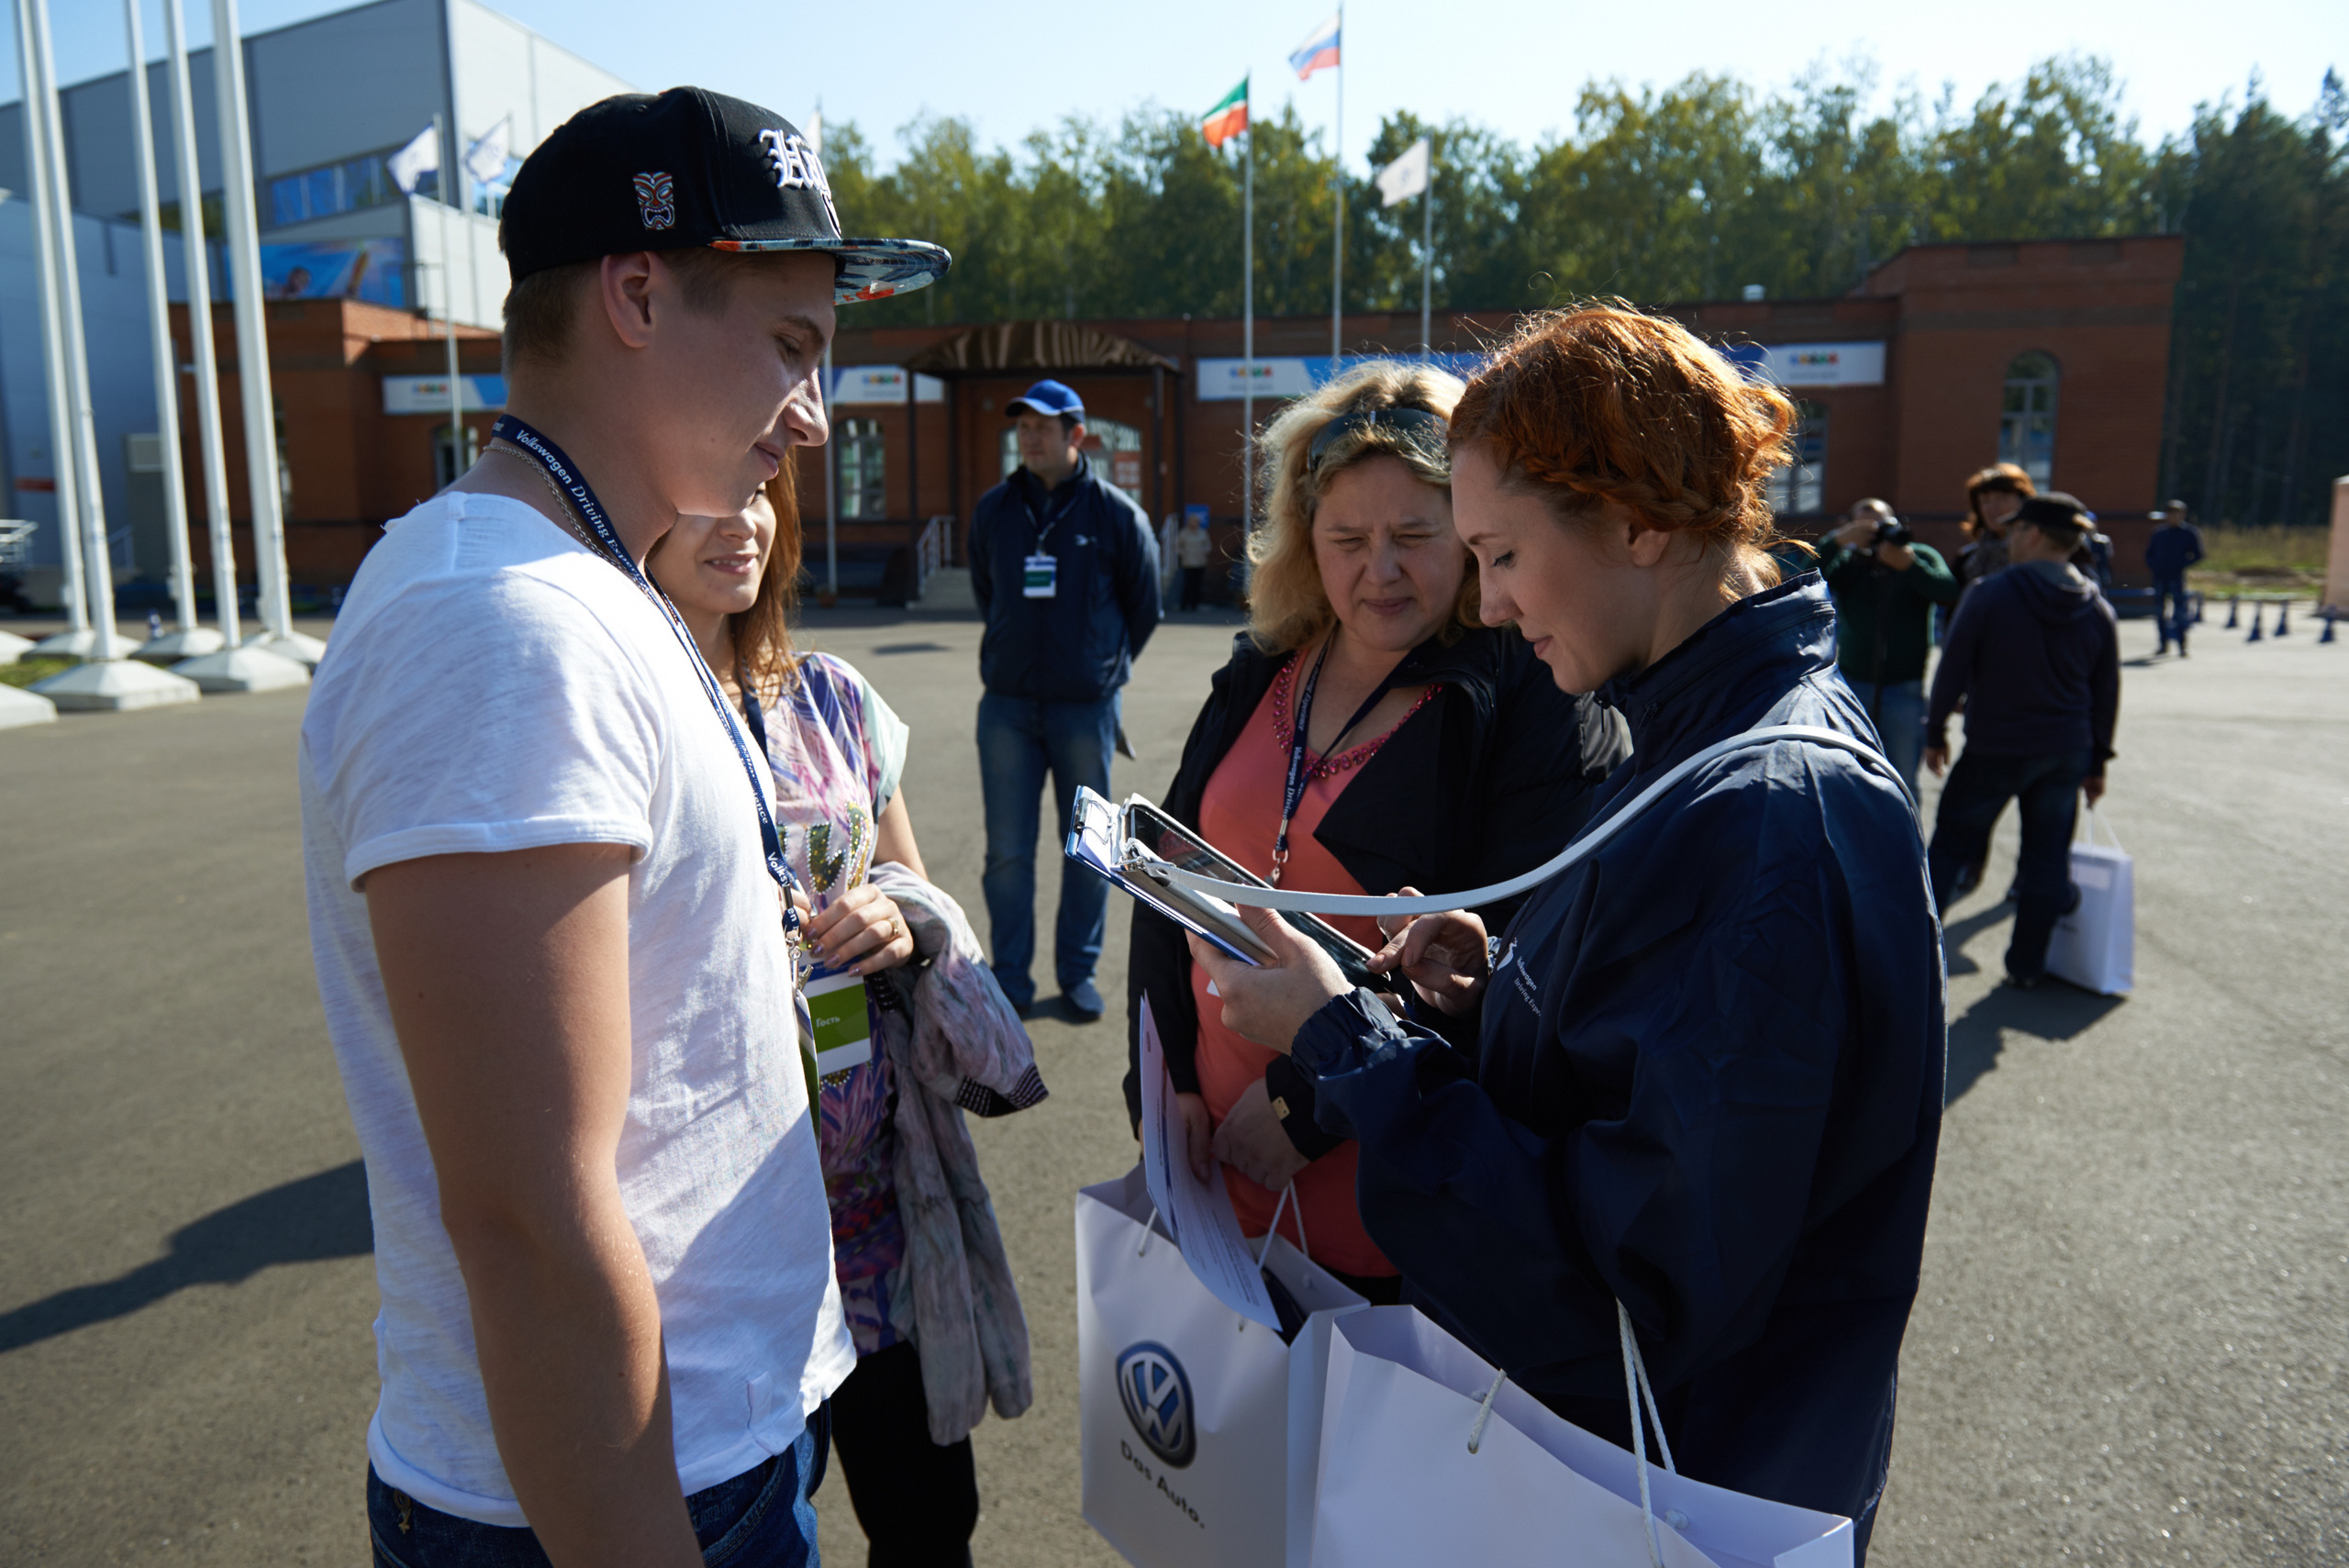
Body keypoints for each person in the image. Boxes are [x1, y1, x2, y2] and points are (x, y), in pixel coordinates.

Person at [299, 87, 949, 1565]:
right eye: (791, 345)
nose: (815, 409)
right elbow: (530, 1221)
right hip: (618, 1501)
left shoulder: (600, 590)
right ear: (639, 292)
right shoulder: (506, 624)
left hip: (711, 1435)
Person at [1189, 305, 1945, 1557]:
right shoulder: (1703, 735)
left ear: (1638, 522)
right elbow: (1662, 1085)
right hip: (1662, 1465)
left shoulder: (1760, 809)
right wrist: (1507, 998)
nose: (1483, 608)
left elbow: (1621, 1291)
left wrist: (1344, 1042)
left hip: (1677, 1485)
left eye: (1498, 554)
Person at [1124, 362, 1631, 1302]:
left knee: (1360, 1437)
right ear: (1304, 539)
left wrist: (1299, 1108)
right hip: (1209, 1168)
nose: (1379, 569)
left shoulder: (1534, 704)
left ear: (1474, 533)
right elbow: (1164, 871)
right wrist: (1161, 1091)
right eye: (1347, 537)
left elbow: (1512, 969)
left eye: (1414, 534)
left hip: (1381, 1197)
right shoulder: (1263, 671)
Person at [649, 479, 1041, 1568]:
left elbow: (917, 890)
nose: (740, 520)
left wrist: (898, 911)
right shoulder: (629, 718)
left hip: (881, 1224)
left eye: (759, 494)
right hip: (726, 1257)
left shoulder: (831, 697)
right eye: (701, 496)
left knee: (927, 1525)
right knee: (757, 1536)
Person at [969, 379, 1161, 1020]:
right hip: (1008, 709)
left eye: (1042, 427)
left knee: (1087, 848)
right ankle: (1010, 979)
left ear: (1077, 436)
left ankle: (1077, 971)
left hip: (1086, 708)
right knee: (1008, 853)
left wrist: (1100, 667)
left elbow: (1145, 606)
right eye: (1022, 426)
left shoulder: (1114, 515)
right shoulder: (995, 510)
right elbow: (986, 591)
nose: (1029, 436)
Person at [1924, 492, 2121, 987]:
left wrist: (1936, 732)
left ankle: (1913, 953)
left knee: (1949, 848)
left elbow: (1953, 670)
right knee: (2046, 859)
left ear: (2032, 534)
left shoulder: (1991, 593)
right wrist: (2097, 763)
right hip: (2065, 751)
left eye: (2015, 530)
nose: (2009, 538)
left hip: (1996, 746)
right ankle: (2027, 966)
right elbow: (2106, 694)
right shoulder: (2096, 607)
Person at [1816, 497, 1959, 796]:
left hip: (1904, 688)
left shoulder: (1918, 556)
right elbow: (1805, 578)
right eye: (1864, 527)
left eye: (1881, 525)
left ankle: (1903, 841)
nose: (1875, 533)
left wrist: (1909, 567)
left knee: (1902, 779)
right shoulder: (1849, 564)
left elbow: (1948, 592)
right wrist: (1836, 543)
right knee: (1842, 773)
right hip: (1852, 684)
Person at [1957, 462, 2033, 595]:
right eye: (1985, 501)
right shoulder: (1967, 559)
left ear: (2023, 501)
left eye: (2001, 498)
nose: (1993, 507)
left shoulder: (2042, 554)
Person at [2146, 499, 2205, 655]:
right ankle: (2162, 644)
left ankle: (2182, 645)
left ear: (2183, 515)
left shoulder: (2189, 533)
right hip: (2160, 577)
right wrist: (2155, 565)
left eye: (2177, 514)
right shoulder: (2159, 533)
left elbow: (2198, 554)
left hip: (2177, 578)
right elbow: (2149, 554)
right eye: (2171, 513)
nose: (2174, 517)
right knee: (2160, 613)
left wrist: (2181, 564)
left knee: (2179, 613)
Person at [1174, 510, 1215, 611]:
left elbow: (1208, 546)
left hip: (1200, 562)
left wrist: (1203, 551)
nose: (1193, 523)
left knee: (1197, 584)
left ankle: (1194, 605)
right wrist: (1183, 553)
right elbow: (1177, 546)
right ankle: (1184, 605)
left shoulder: (1202, 533)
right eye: (1191, 521)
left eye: (1195, 521)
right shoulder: (1184, 533)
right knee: (1188, 584)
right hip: (1188, 562)